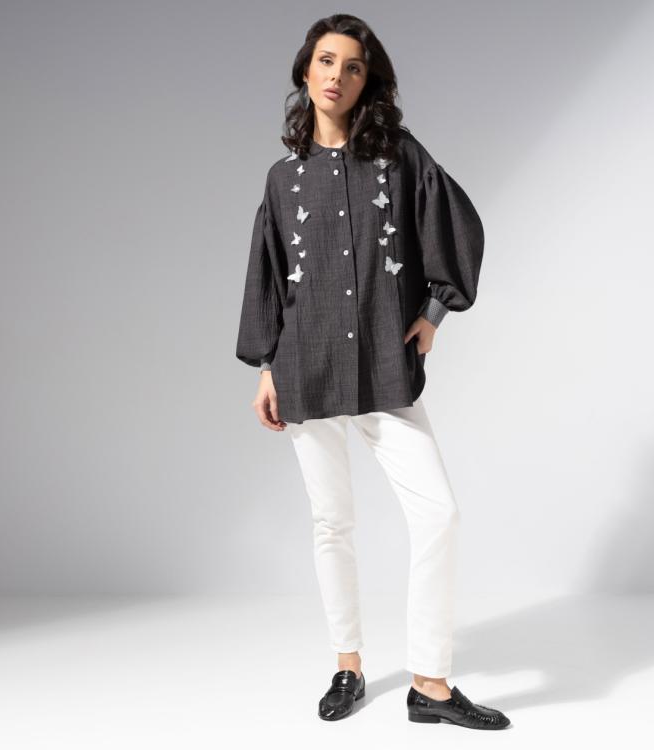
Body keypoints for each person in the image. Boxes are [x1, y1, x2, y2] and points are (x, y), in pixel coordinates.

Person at [236, 13, 511, 730]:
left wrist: (434, 312)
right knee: (332, 523)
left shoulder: (396, 157)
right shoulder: (282, 179)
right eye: (326, 61)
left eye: (353, 66)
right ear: (306, 71)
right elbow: (268, 274)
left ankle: (430, 684)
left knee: (438, 514)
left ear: (368, 81)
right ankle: (348, 666)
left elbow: (456, 221)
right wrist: (266, 366)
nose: (337, 75)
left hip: (384, 365)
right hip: (306, 366)